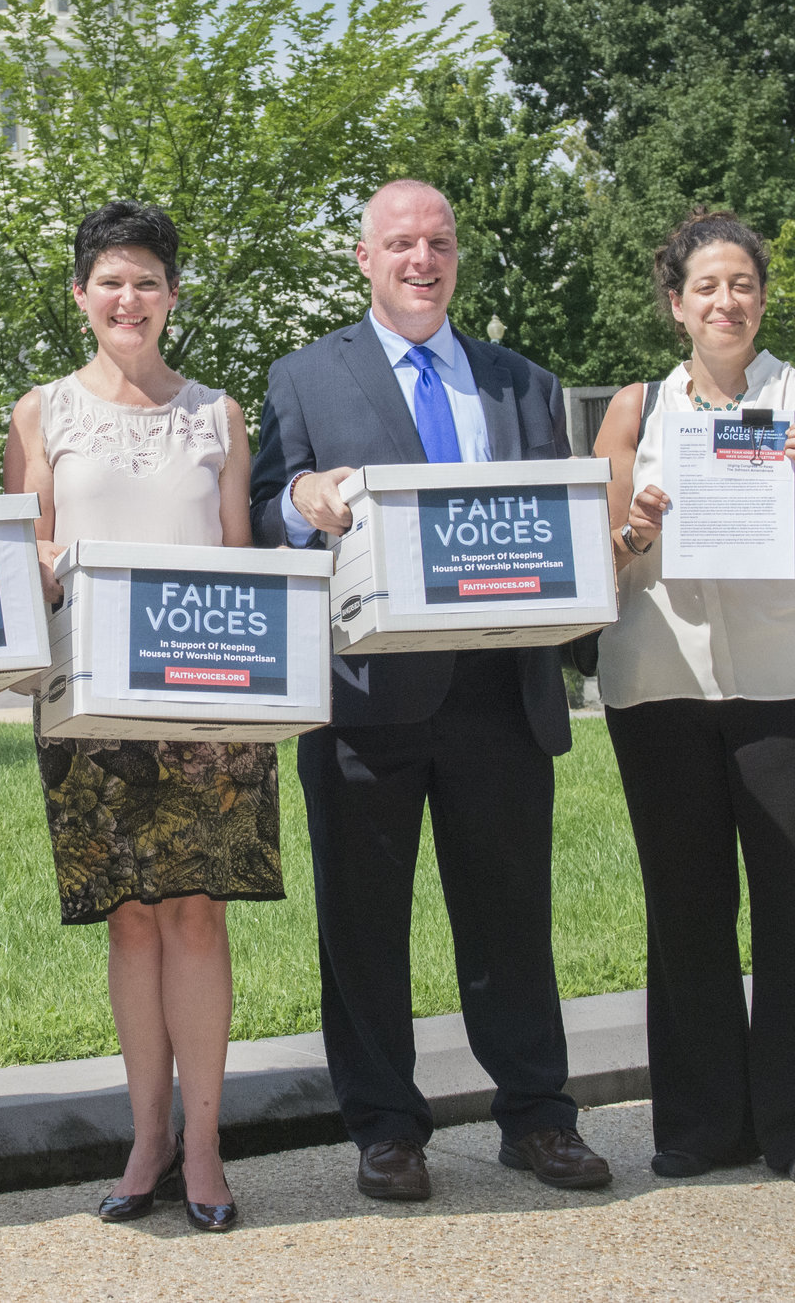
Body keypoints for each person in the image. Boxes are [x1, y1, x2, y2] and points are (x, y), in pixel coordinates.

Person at [247, 179, 610, 1204]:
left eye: (438, 240)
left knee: (509, 920)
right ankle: (386, 1127)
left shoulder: (520, 382)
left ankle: (537, 1115)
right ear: (362, 256)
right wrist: (298, 503)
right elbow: (263, 503)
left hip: (502, 690)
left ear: (458, 255)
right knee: (364, 926)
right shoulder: (306, 376)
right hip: (367, 696)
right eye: (399, 241)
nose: (421, 257)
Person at [3, 202, 276, 1233]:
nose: (130, 299)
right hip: (90, 702)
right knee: (130, 915)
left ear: (171, 296)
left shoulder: (218, 415)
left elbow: (243, 555)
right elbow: (26, 553)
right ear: (81, 294)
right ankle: (147, 1132)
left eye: (148, 281)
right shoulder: (41, 413)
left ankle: (203, 1143)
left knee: (196, 912)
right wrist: (37, 567)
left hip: (209, 697)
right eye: (110, 280)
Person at [591, 211, 795, 1190]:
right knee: (684, 907)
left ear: (762, 296)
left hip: (793, 684)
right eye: (705, 286)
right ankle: (702, 1120)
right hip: (659, 683)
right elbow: (603, 575)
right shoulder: (633, 412)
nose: (726, 300)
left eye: (741, 283)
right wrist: (634, 529)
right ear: (675, 303)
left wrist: (793, 483)